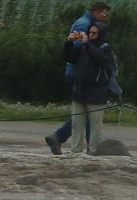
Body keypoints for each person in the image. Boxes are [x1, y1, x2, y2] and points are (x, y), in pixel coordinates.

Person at [45, 1, 109, 155]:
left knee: (85, 114)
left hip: (81, 73)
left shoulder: (88, 22)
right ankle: (61, 137)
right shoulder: (84, 24)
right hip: (79, 73)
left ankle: (84, 145)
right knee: (84, 113)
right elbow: (79, 51)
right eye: (104, 14)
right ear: (96, 11)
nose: (105, 18)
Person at [62, 19, 114, 154]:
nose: (90, 35)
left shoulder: (105, 48)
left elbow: (102, 60)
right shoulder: (84, 47)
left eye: (94, 33)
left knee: (96, 126)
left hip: (96, 93)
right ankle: (76, 151)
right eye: (89, 32)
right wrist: (68, 43)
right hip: (79, 91)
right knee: (76, 125)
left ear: (100, 34)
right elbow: (69, 57)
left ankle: (94, 152)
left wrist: (87, 44)